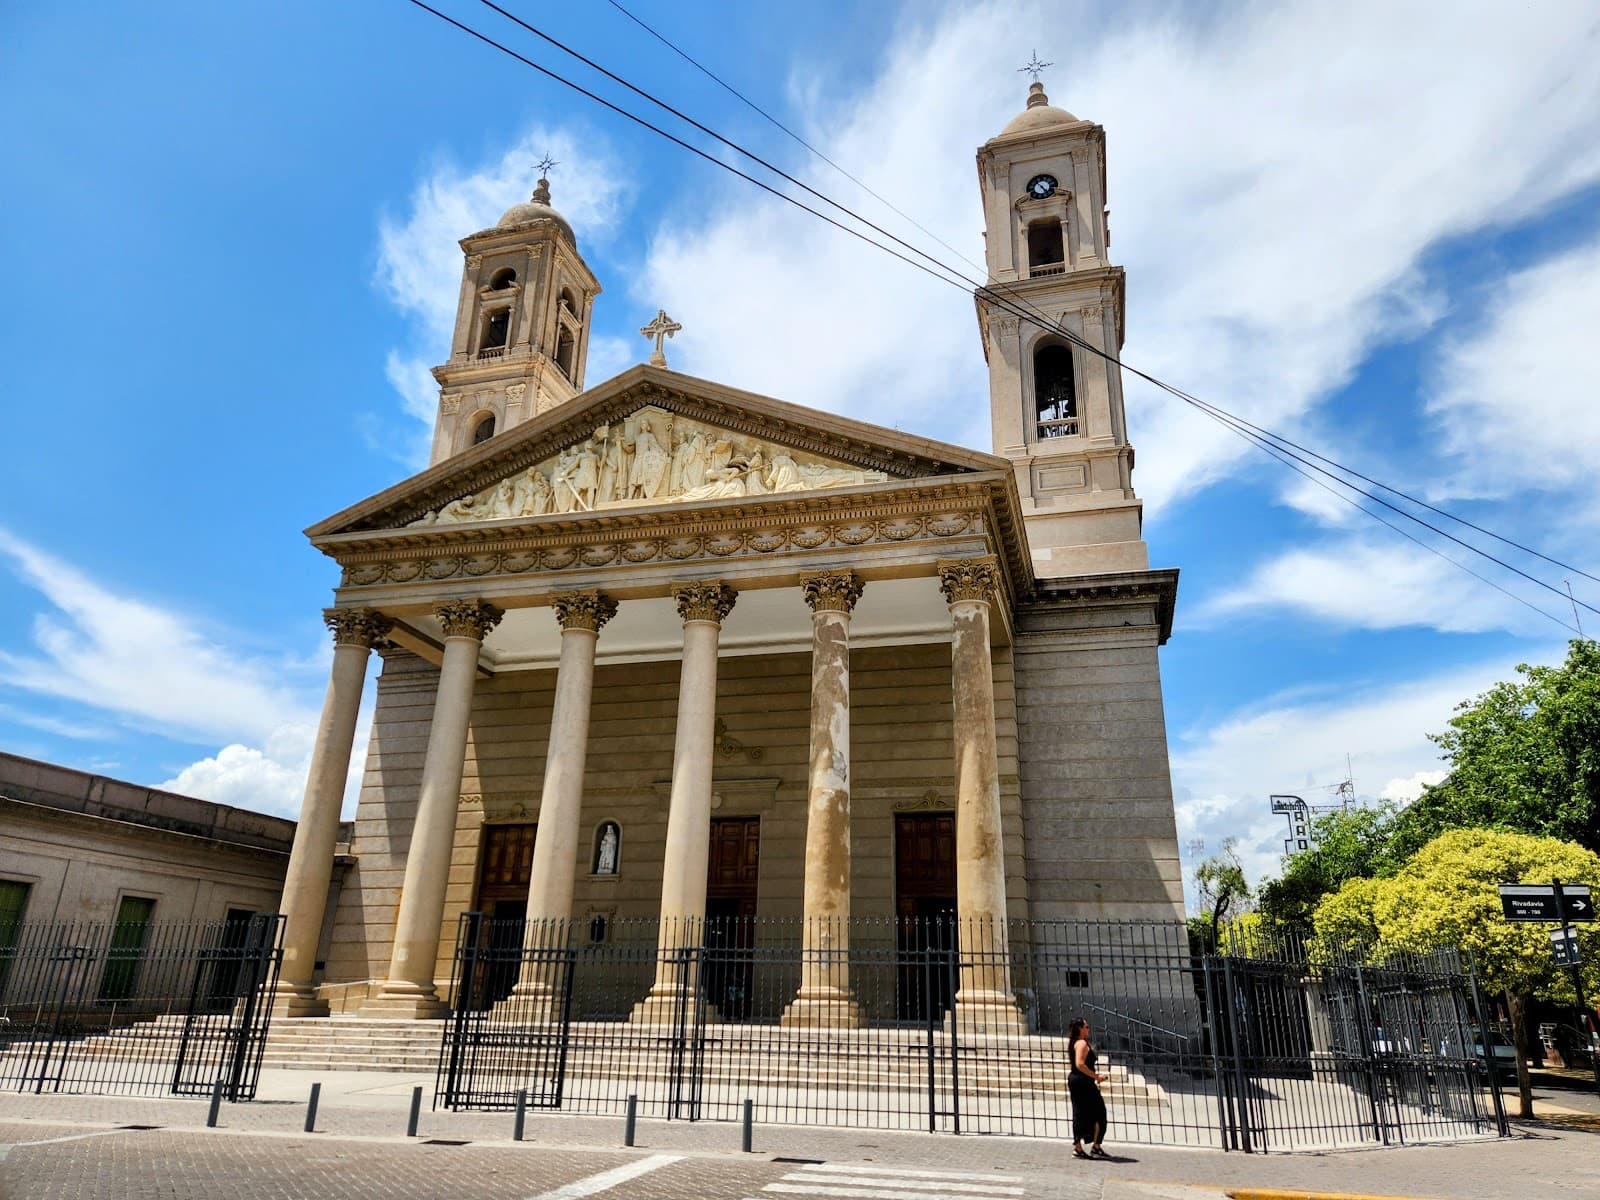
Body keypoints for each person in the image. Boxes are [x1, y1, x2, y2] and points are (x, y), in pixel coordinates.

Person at [1067, 1015, 1108, 1159]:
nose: (1088, 1029)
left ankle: (1085, 1147)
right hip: (1082, 1082)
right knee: (1098, 1112)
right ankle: (1089, 1147)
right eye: (1086, 1027)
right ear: (1080, 1029)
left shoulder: (1076, 1042)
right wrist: (1096, 1076)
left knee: (1083, 1113)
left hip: (1079, 1081)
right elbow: (1079, 1064)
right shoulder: (1082, 1044)